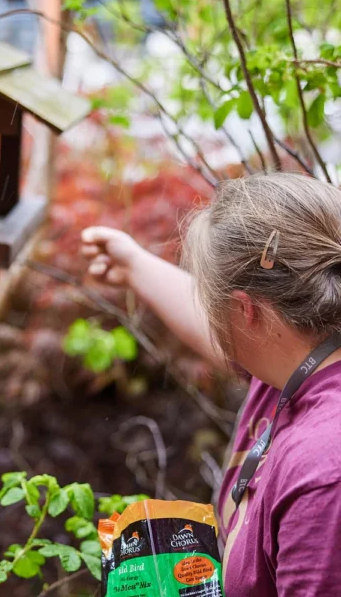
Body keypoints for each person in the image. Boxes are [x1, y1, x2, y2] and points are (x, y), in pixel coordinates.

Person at [81, 172, 341, 597]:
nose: (211, 319)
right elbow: (229, 336)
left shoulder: (325, 471)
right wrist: (133, 263)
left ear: (246, 311)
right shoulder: (301, 354)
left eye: (212, 300)